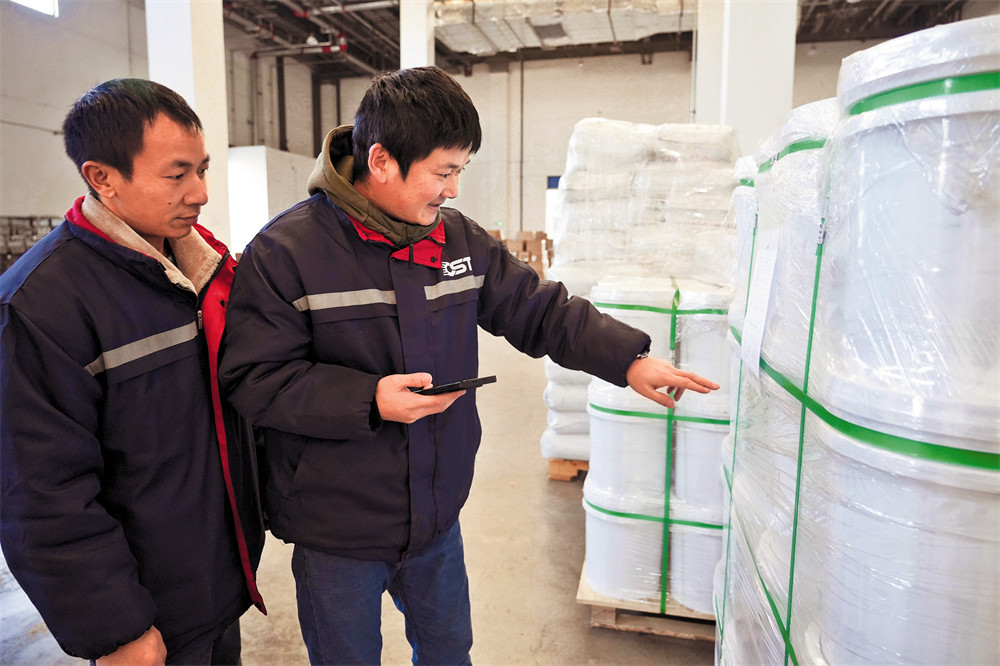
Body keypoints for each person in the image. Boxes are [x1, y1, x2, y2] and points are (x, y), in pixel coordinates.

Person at [218, 65, 718, 665]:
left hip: (435, 518)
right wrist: (369, 399)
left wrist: (627, 359)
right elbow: (255, 378)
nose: (453, 190)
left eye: (461, 170)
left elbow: (539, 309)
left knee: (450, 652)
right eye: (443, 172)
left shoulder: (457, 240)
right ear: (381, 161)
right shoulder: (285, 253)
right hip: (337, 528)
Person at [0, 78, 265, 665]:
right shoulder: (40, 306)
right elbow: (41, 492)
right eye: (177, 175)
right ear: (102, 177)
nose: (200, 192)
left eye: (203, 169)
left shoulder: (197, 271)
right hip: (146, 612)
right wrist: (116, 627)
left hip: (218, 582)